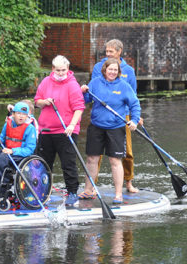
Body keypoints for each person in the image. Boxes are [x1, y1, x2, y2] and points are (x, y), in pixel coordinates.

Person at [80, 58, 141, 204]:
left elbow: (134, 104)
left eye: (115, 70)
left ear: (118, 71)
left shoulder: (124, 86)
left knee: (115, 160)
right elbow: (86, 100)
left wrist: (134, 120)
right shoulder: (95, 83)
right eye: (110, 69)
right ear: (105, 70)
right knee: (91, 159)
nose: (112, 72)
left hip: (116, 128)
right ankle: (88, 190)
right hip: (96, 126)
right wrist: (83, 92)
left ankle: (118, 194)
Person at [90, 39, 142, 193]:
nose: (107, 54)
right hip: (101, 115)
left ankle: (128, 182)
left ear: (119, 52)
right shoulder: (99, 67)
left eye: (111, 51)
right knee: (96, 154)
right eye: (106, 51)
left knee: (126, 152)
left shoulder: (129, 71)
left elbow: (134, 96)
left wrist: (135, 116)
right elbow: (94, 88)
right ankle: (92, 186)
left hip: (122, 117)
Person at [34, 55, 85, 206]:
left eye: (63, 70)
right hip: (46, 130)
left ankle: (72, 192)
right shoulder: (46, 82)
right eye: (58, 70)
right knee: (43, 163)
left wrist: (71, 125)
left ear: (67, 69)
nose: (61, 73)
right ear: (53, 69)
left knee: (68, 163)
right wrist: (44, 102)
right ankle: (43, 191)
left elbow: (79, 108)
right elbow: (37, 101)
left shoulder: (72, 85)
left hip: (66, 131)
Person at [0, 102, 37, 199]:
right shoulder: (7, 124)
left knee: (2, 159)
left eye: (24, 114)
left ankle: (3, 189)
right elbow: (2, 141)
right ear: (13, 114)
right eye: (19, 114)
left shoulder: (30, 128)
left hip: (20, 154)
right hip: (7, 151)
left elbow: (29, 149)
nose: (21, 116)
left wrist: (13, 151)